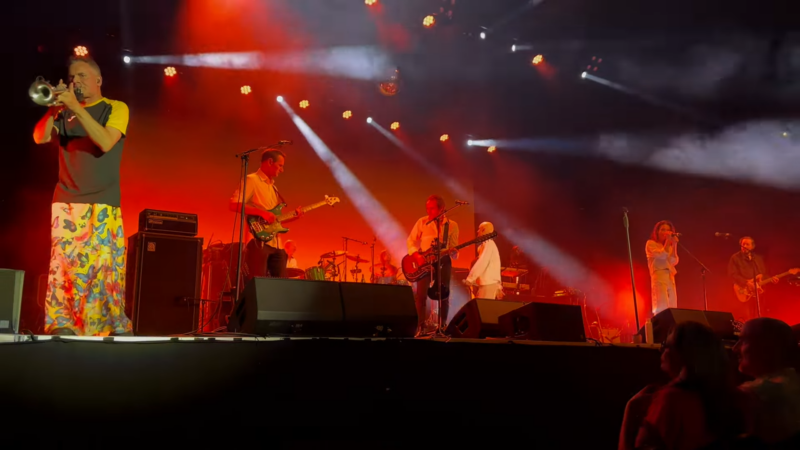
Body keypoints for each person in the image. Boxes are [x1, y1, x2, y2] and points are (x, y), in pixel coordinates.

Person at [32, 56, 132, 336]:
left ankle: (109, 326)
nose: (76, 81)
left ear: (98, 81)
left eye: (82, 76)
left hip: (103, 201)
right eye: (73, 77)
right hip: (65, 201)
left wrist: (76, 108)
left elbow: (105, 141)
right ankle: (63, 324)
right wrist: (54, 108)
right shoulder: (64, 112)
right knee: (64, 267)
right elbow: (39, 137)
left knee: (104, 268)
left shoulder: (116, 107)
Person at [619, 322, 746, 450]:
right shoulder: (737, 396)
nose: (661, 350)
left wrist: (630, 410)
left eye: (666, 345)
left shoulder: (671, 399)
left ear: (684, 353)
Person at [229, 150, 303, 282]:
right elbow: (234, 204)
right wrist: (262, 212)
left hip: (277, 245)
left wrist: (294, 216)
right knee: (258, 284)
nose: (282, 170)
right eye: (280, 165)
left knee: (280, 286)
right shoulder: (252, 180)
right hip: (258, 241)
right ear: (270, 162)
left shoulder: (273, 187)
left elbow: (274, 219)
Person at [734, 318, 800, 446]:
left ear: (768, 346)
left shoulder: (754, 394)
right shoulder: (792, 382)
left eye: (744, 341)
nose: (735, 348)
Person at [407, 195, 459, 335]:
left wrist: (454, 252)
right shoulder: (422, 222)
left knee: (444, 294)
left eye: (432, 209)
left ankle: (442, 327)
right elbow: (410, 241)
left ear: (441, 208)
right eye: (427, 209)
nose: (428, 212)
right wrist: (416, 255)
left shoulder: (452, 225)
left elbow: (454, 249)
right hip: (425, 263)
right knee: (421, 295)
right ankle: (420, 327)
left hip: (443, 261)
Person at [728, 236, 777, 322]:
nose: (744, 246)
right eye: (743, 244)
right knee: (747, 317)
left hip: (758, 292)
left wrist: (771, 279)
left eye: (747, 244)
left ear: (752, 246)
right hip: (744, 291)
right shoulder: (735, 258)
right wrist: (746, 282)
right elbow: (732, 274)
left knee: (761, 314)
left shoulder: (758, 258)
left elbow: (763, 274)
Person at [646, 220, 679, 315]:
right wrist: (668, 241)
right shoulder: (650, 244)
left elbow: (674, 260)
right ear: (657, 231)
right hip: (659, 274)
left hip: (670, 275)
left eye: (668, 230)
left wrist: (674, 244)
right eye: (663, 230)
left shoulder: (668, 246)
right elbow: (662, 255)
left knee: (672, 306)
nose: (666, 232)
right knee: (662, 305)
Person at [463, 222, 501, 299]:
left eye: (479, 229)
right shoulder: (489, 244)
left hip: (488, 284)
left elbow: (483, 262)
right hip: (488, 284)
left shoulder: (488, 243)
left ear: (483, 230)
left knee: (484, 309)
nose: (477, 231)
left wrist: (470, 279)